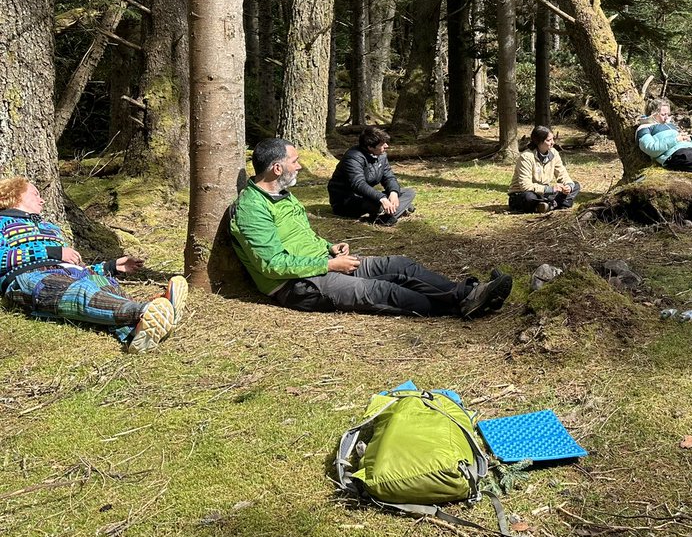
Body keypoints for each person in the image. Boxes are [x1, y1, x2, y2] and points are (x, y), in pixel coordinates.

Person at [231, 138, 510, 317]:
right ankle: (462, 306)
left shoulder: (284, 195)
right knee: (384, 290)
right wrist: (329, 265)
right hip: (298, 285)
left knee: (401, 266)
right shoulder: (252, 208)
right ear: (277, 168)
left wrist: (329, 248)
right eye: (295, 161)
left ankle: (467, 292)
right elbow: (272, 264)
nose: (301, 166)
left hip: (324, 261)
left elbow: (302, 236)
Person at [0, 176, 187, 353]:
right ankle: (146, 310)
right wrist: (52, 252)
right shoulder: (2, 222)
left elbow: (74, 264)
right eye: (35, 194)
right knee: (80, 293)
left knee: (105, 286)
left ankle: (135, 334)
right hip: (31, 276)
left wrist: (111, 267)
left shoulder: (50, 228)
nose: (42, 200)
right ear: (14, 194)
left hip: (74, 273)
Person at [328, 126, 416, 225]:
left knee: (409, 192)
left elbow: (389, 177)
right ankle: (390, 214)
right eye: (382, 145)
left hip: (366, 196)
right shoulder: (353, 158)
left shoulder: (381, 155)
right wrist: (382, 198)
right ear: (370, 147)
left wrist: (393, 193)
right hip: (346, 200)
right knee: (380, 206)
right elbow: (358, 184)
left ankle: (390, 212)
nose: (386, 146)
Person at [508, 126, 581, 213]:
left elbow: (562, 174)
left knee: (575, 185)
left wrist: (568, 186)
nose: (552, 143)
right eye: (548, 140)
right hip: (522, 194)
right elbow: (525, 186)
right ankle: (555, 204)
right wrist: (551, 189)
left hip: (543, 194)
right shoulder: (526, 157)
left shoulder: (554, 153)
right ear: (539, 142)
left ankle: (548, 205)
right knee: (529, 197)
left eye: (552, 139)